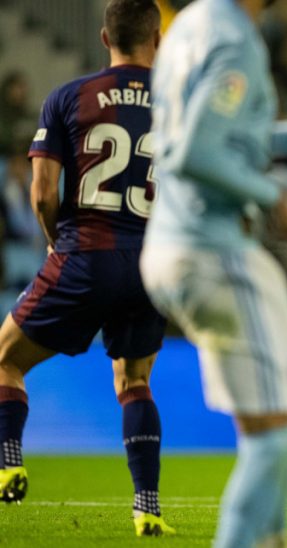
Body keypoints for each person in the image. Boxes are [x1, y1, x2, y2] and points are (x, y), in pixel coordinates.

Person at [141, 0, 287, 546]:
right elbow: (194, 151)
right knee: (271, 443)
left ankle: (271, 535)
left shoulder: (189, 27)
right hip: (211, 251)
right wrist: (272, 195)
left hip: (179, 242)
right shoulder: (235, 38)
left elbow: (207, 130)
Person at [0, 0, 175, 537]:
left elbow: (42, 193)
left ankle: (9, 461)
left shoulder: (69, 97)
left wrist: (59, 244)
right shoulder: (179, 103)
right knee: (135, 380)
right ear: (158, 39)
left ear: (104, 38)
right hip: (152, 264)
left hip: (86, 254)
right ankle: (147, 507)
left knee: (5, 360)